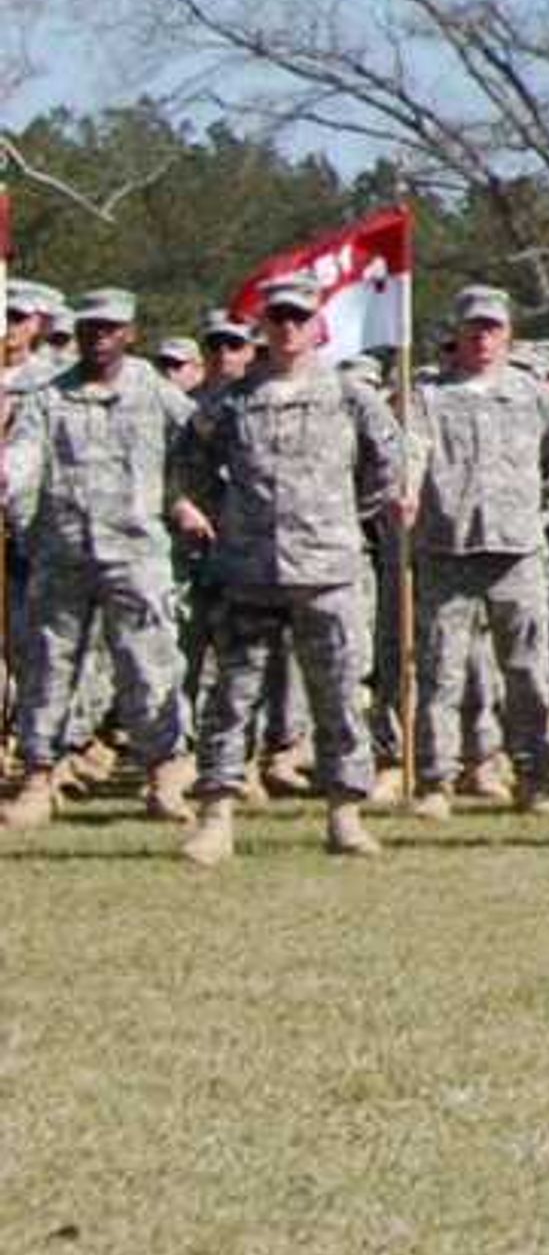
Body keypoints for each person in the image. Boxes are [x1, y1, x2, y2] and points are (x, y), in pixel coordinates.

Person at [177, 276, 413, 866]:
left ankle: (344, 815)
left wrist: (343, 515)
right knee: (232, 695)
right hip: (248, 569)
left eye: (297, 318)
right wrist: (214, 512)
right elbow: (189, 464)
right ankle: (216, 816)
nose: (286, 328)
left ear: (316, 326)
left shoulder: (347, 396)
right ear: (262, 325)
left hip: (327, 569)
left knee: (336, 694)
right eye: (276, 317)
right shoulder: (230, 400)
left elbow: (388, 463)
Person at [2, 287, 196, 830]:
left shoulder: (155, 391)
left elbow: (203, 441)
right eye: (89, 328)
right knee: (47, 669)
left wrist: (185, 500)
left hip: (136, 556)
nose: (98, 336)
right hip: (61, 553)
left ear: (130, 333)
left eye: (110, 328)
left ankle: (163, 775)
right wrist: (8, 480)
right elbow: (23, 456)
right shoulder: (48, 396)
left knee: (150, 668)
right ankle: (39, 777)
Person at [405, 287, 549, 819]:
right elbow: (410, 452)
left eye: (493, 328)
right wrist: (410, 494)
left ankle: (533, 778)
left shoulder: (530, 393)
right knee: (440, 671)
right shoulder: (427, 395)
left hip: (516, 551)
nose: (483, 338)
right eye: (473, 328)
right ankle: (436, 781)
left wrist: (535, 509)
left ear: (508, 334)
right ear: (456, 333)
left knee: (527, 672)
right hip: (447, 549)